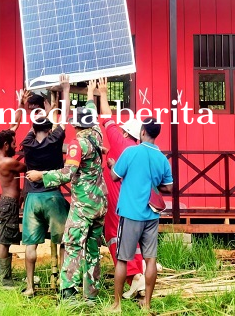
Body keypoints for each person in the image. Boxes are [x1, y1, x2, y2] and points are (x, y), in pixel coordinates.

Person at [26, 79, 107, 302]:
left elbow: (67, 173)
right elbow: (92, 114)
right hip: (100, 203)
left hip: (83, 205)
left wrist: (42, 176)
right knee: (92, 249)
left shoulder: (76, 144)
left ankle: (68, 293)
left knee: (72, 245)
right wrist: (91, 94)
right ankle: (91, 295)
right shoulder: (97, 135)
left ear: (75, 125)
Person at [107, 117, 173, 312]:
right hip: (152, 215)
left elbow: (114, 176)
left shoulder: (131, 152)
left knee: (122, 259)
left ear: (142, 132)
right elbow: (168, 187)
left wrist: (112, 164)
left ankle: (117, 304)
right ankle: (147, 304)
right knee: (150, 259)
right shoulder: (161, 157)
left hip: (129, 213)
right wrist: (153, 184)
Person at [13, 77, 71, 297]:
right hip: (53, 197)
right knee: (63, 240)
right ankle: (64, 283)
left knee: (31, 245)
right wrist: (64, 91)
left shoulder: (27, 143)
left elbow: (32, 127)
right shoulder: (55, 140)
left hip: (33, 200)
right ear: (49, 128)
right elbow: (62, 120)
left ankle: (29, 287)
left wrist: (36, 112)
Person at [95, 78, 146, 298]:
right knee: (132, 239)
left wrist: (103, 94)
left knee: (115, 236)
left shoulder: (120, 140)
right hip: (137, 201)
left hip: (117, 199)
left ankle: (134, 277)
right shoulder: (139, 149)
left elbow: (107, 120)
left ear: (125, 133)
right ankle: (139, 274)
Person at [0, 129, 26, 288]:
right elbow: (26, 167)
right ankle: (4, 280)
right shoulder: (8, 162)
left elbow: (10, 130)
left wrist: (20, 109)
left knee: (5, 241)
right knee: (4, 242)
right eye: (14, 143)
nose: (16, 146)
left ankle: (6, 277)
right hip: (9, 204)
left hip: (6, 203)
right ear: (6, 145)